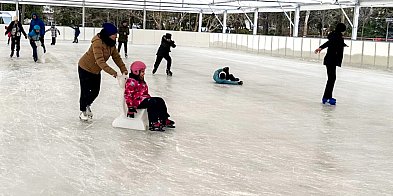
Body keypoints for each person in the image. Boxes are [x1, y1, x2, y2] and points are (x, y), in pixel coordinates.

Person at [78, 23, 128, 121]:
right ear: (108, 34)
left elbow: (116, 57)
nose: (116, 36)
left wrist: (123, 69)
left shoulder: (111, 43)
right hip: (85, 68)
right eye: (114, 34)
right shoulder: (97, 42)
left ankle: (87, 104)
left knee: (96, 91)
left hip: (96, 70)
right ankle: (82, 111)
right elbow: (100, 61)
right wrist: (115, 73)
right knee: (85, 91)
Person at [125, 61, 175, 131]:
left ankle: (163, 119)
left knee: (159, 100)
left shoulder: (141, 80)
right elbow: (128, 95)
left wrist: (148, 98)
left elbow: (145, 93)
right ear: (136, 71)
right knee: (152, 102)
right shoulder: (131, 82)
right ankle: (153, 122)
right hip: (136, 102)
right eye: (142, 71)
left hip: (143, 99)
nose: (144, 73)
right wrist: (130, 107)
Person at [315, 23, 348, 105]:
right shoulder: (337, 36)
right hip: (331, 60)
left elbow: (332, 43)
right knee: (331, 78)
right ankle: (326, 97)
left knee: (331, 78)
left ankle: (327, 97)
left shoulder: (336, 35)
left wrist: (343, 45)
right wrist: (321, 47)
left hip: (331, 59)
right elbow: (330, 43)